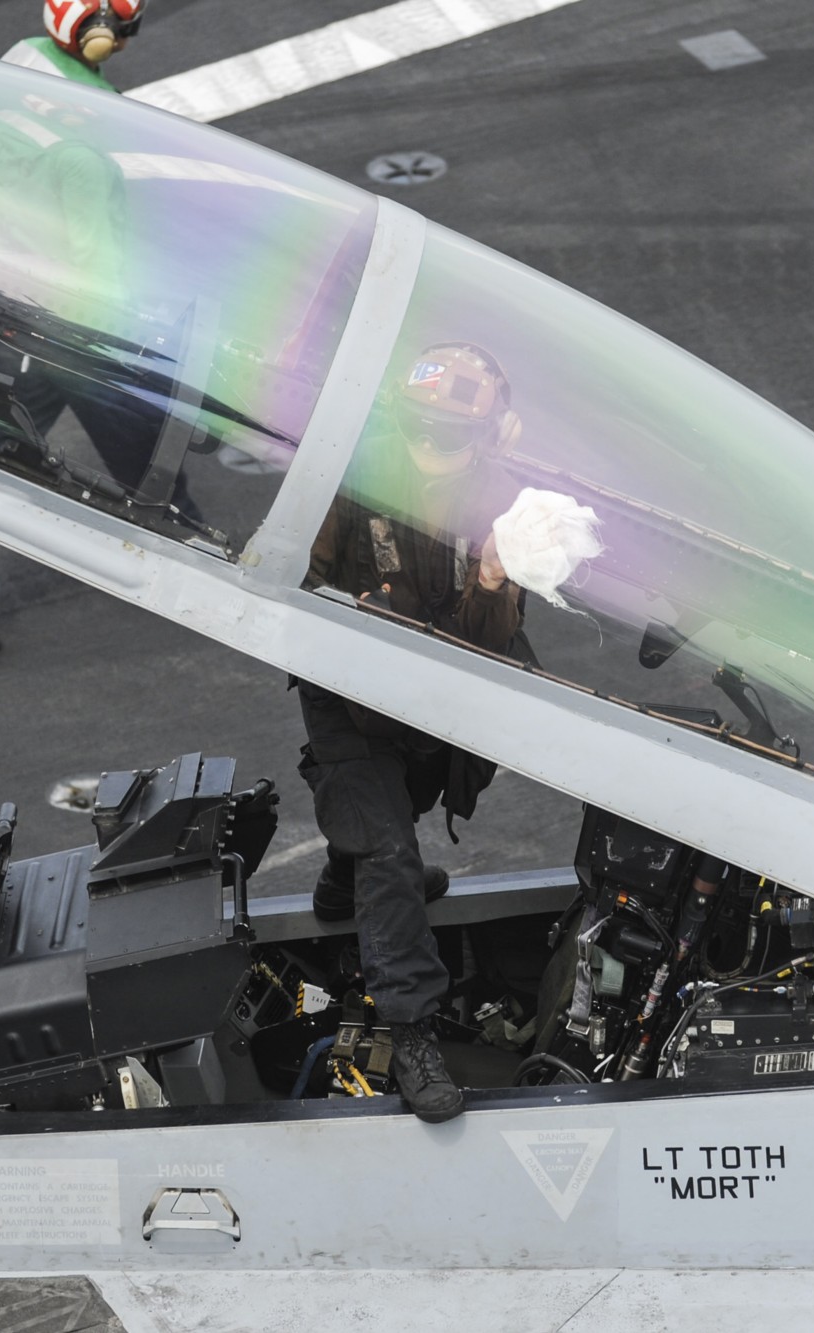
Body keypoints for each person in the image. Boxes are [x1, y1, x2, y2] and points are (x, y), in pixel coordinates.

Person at [294, 342, 531, 1124]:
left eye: (454, 436)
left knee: (407, 803)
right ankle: (412, 1028)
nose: (438, 450)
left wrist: (494, 581)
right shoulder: (351, 476)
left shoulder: (502, 506)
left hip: (432, 692)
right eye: (426, 433)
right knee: (391, 848)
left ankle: (344, 877)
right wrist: (357, 616)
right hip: (351, 686)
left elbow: (489, 643)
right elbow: (296, 582)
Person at [0, 0, 157, 663]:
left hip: (12, 300)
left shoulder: (19, 65)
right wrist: (131, 343)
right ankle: (202, 566)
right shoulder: (87, 150)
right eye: (124, 27)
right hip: (70, 327)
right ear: (97, 34)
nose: (126, 40)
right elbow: (99, 271)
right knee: (149, 452)